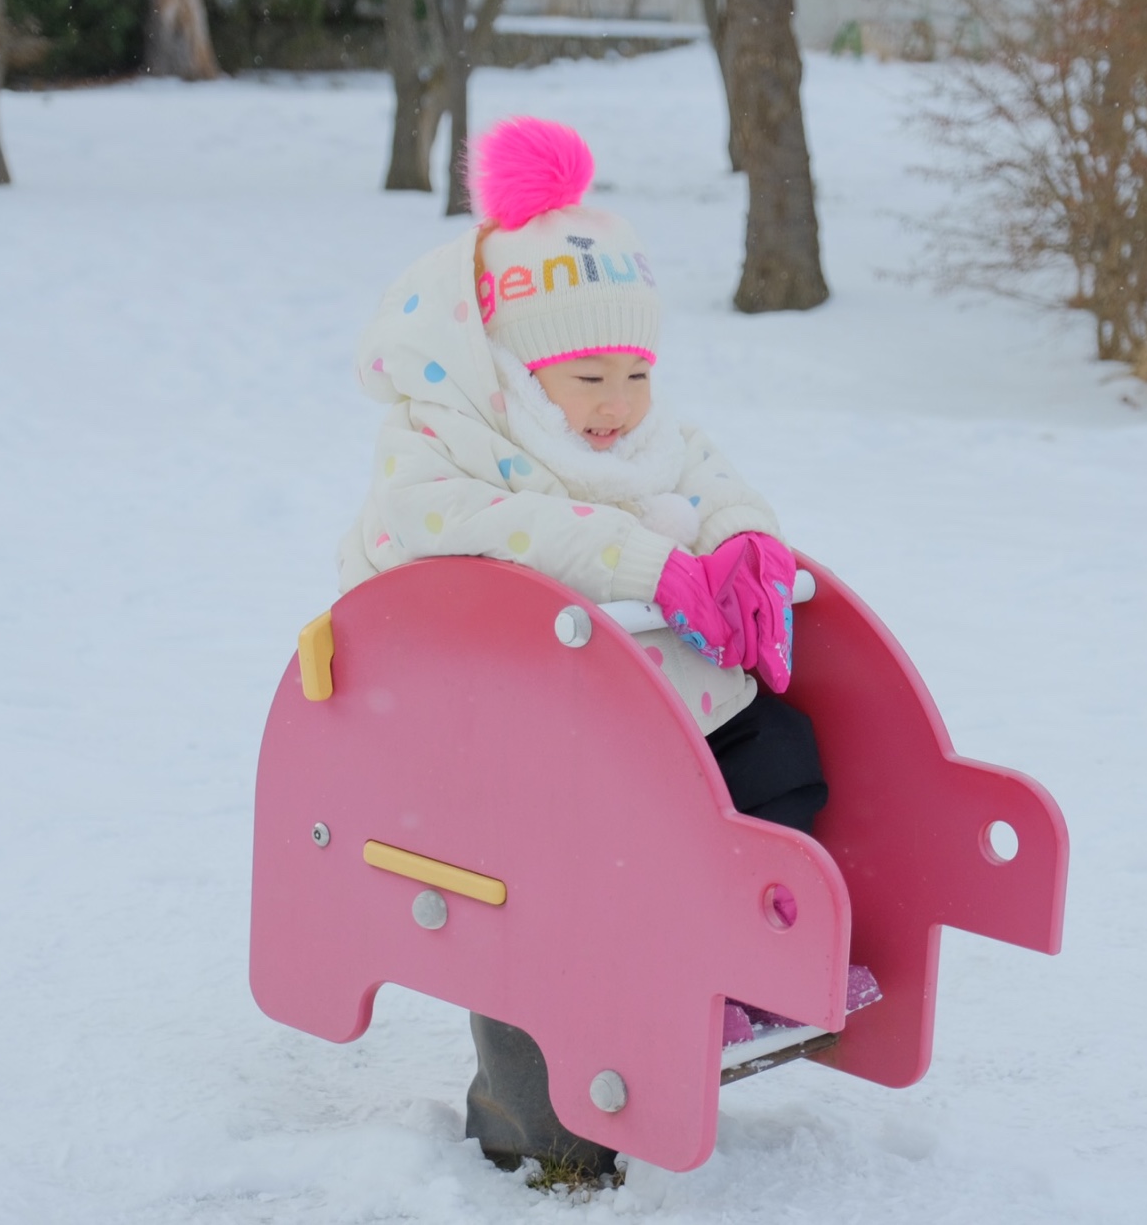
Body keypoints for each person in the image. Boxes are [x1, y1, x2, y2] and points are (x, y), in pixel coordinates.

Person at [338, 118, 829, 1175]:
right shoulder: (445, 445)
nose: (615, 409)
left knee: (781, 760)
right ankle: (535, 1128)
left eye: (632, 376)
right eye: (586, 379)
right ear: (514, 373)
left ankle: (710, 976)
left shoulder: (645, 433)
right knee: (545, 894)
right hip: (497, 732)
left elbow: (703, 477)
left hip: (645, 707)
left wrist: (741, 540)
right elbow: (473, 531)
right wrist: (648, 566)